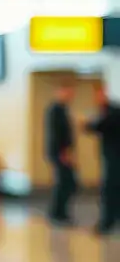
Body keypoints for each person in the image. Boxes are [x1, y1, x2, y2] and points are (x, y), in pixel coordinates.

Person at [84, 84, 120, 234]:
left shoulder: (113, 111)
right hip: (110, 156)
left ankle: (107, 223)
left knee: (109, 189)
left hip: (114, 157)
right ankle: (111, 220)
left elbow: (98, 125)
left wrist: (87, 123)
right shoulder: (105, 111)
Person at [46, 82, 78, 225]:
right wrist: (63, 152)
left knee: (67, 182)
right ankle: (57, 213)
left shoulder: (64, 109)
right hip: (59, 152)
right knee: (65, 182)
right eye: (67, 92)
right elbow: (57, 134)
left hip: (64, 151)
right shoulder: (55, 110)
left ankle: (60, 212)